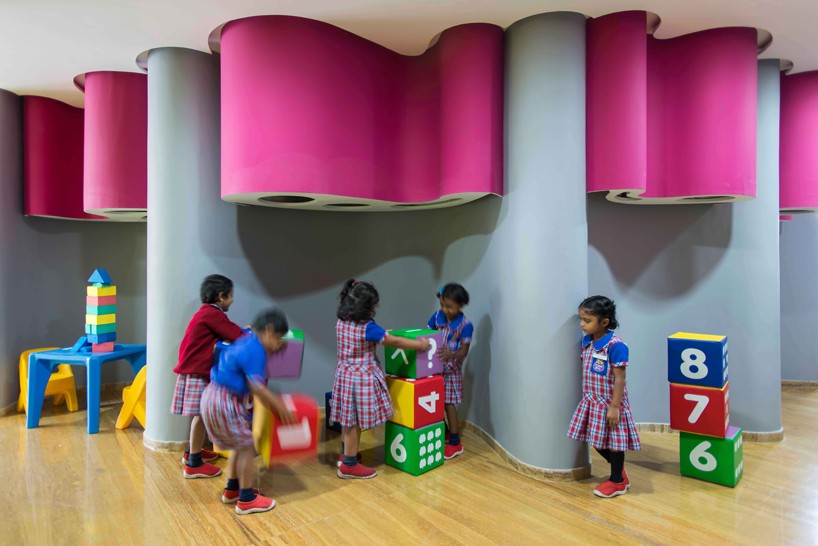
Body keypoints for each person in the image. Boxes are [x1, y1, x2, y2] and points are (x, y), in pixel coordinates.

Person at [331, 279, 431, 479]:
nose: (374, 310)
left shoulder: (342, 321)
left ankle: (346, 454)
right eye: (373, 307)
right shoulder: (367, 327)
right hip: (360, 379)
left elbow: (370, 338)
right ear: (365, 308)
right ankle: (349, 465)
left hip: (344, 375)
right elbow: (394, 342)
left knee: (348, 419)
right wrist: (420, 345)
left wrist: (383, 334)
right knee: (354, 422)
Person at [200, 307, 296, 515]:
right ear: (268, 330)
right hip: (224, 401)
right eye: (278, 339)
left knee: (239, 444)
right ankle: (246, 499)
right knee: (246, 447)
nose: (278, 345)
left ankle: (232, 489)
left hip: (211, 397)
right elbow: (258, 388)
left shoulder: (247, 340)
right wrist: (280, 408)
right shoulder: (256, 350)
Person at [567, 295, 641, 498]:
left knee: (614, 444)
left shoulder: (616, 346)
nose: (582, 324)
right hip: (592, 401)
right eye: (581, 319)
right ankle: (619, 473)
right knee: (597, 440)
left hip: (609, 403)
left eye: (587, 320)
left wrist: (615, 406)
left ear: (604, 322)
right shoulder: (587, 341)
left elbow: (620, 379)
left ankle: (617, 481)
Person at [172, 274, 244, 478]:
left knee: (200, 415)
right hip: (197, 372)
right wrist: (249, 334)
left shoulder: (205, 313)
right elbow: (235, 335)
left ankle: (192, 452)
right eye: (231, 296)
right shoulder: (214, 315)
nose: (232, 300)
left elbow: (228, 330)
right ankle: (194, 464)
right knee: (202, 415)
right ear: (221, 296)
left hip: (193, 370)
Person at [427, 283, 473, 460]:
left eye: (449, 306)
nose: (445, 310)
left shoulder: (465, 325)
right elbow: (427, 335)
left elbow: (464, 351)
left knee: (448, 403)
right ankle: (445, 431)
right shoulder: (436, 317)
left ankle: (455, 442)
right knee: (436, 401)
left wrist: (451, 354)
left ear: (460, 305)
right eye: (442, 305)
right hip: (435, 368)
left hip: (451, 371)